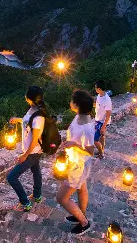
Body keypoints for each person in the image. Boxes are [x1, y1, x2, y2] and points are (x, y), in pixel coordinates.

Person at [56, 90, 96, 236]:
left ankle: (84, 223)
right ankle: (80, 214)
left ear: (77, 105)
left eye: (72, 100)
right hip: (76, 161)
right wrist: (69, 144)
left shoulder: (87, 127)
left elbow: (90, 151)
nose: (70, 102)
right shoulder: (80, 117)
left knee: (61, 198)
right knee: (82, 190)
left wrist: (74, 145)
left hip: (78, 166)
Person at [6, 86, 46, 211]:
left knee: (11, 177)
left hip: (33, 152)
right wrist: (17, 120)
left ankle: (25, 202)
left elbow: (35, 138)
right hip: (33, 152)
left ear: (29, 98)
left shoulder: (38, 116)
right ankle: (37, 195)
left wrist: (25, 155)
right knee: (36, 171)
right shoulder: (32, 109)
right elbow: (27, 122)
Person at [93, 80, 112, 159]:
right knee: (102, 137)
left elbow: (108, 114)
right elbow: (97, 106)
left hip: (102, 122)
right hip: (98, 119)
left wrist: (103, 126)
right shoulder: (99, 96)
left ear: (100, 89)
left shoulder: (107, 100)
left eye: (96, 88)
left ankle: (101, 154)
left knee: (94, 140)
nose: (95, 89)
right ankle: (102, 150)